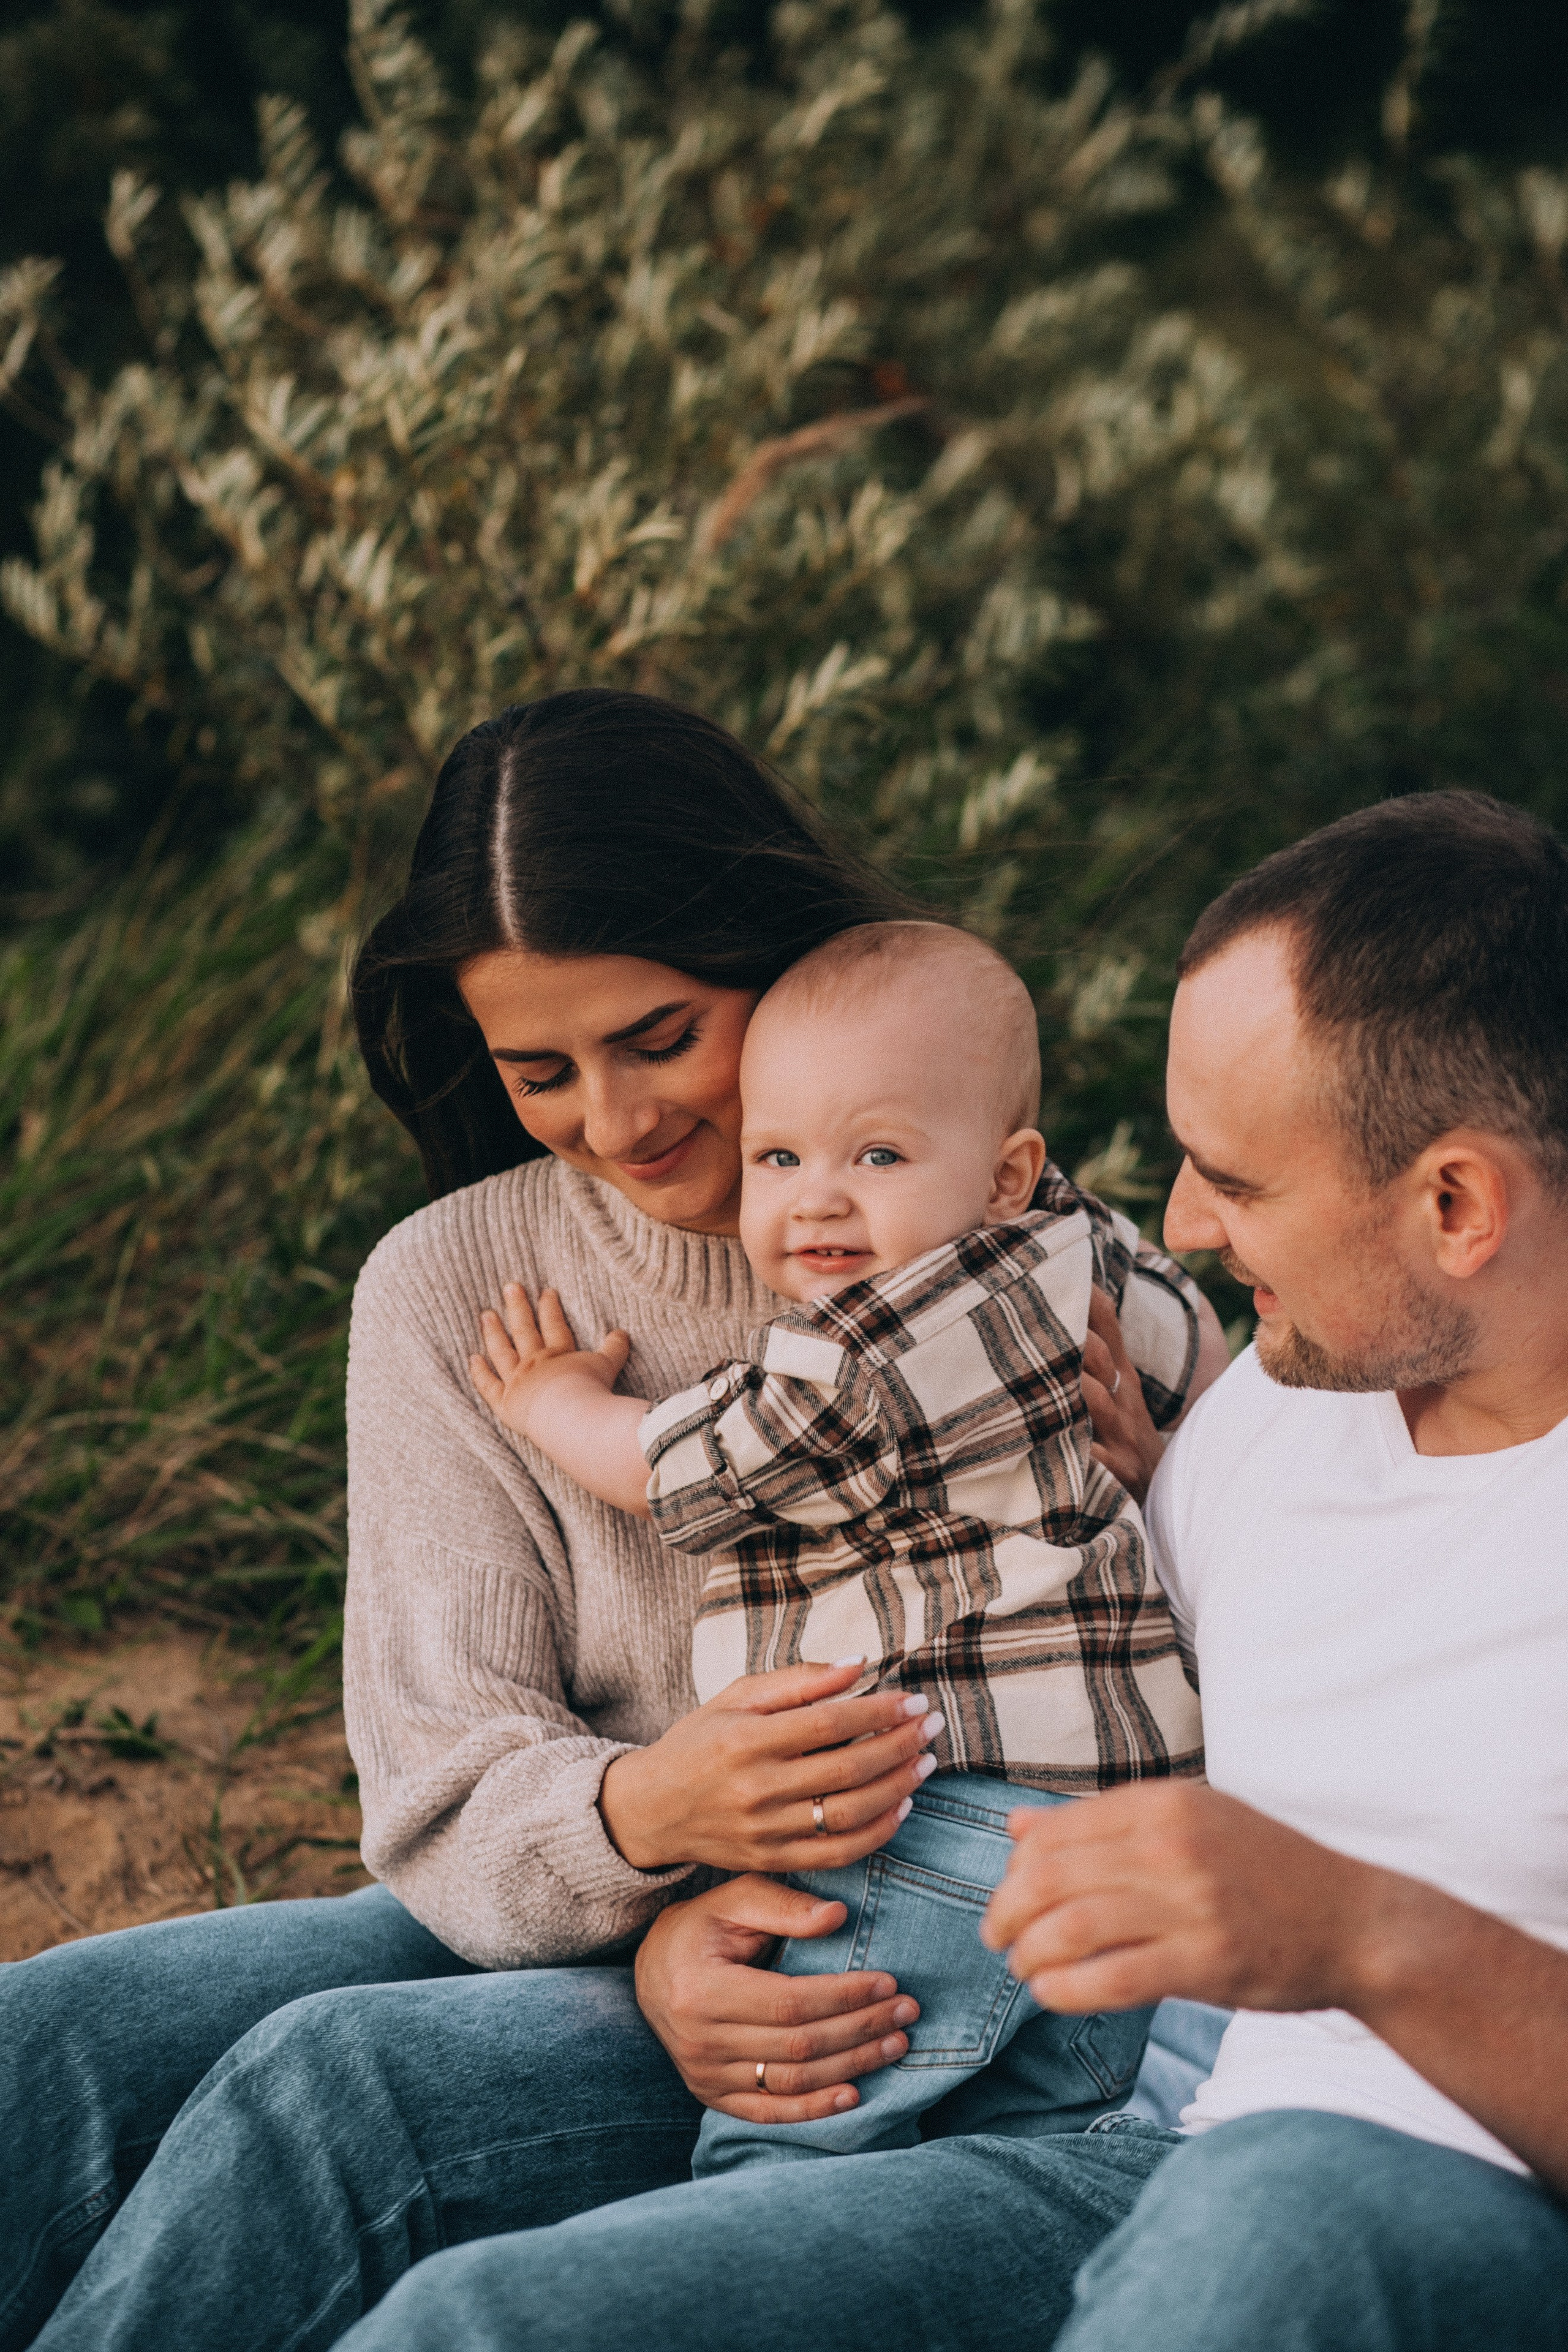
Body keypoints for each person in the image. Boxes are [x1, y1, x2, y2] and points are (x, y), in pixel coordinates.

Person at [0, 690, 1226, 2352]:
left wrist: (1173, 1467)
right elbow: (442, 1784)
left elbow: (1222, 1563)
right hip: (609, 1890)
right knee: (51, 2035)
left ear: (778, 965)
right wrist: (655, 1825)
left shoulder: (953, 1233)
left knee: (330, 2082)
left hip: (894, 1928)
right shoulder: (451, 1290)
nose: (619, 1118)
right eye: (540, 1069)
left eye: (661, 1036)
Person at [322, 786, 1568, 2352]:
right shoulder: (1260, 1404)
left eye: (1235, 1185)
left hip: (1390, 2175)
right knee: (485, 2317)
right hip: (1072, 2102)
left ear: (1454, 1204)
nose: (1173, 1229)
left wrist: (1360, 1934)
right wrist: (671, 1923)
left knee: (1274, 2223)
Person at [466, 920, 1202, 2171]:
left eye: (876, 1153)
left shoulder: (874, 1342)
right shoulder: (1085, 1252)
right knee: (1014, 2152)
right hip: (1108, 1855)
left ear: (1003, 1174)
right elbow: (1192, 1346)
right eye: (779, 1154)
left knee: (788, 2155)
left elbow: (691, 1467)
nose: (817, 1196)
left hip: (941, 1825)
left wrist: (551, 1405)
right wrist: (1151, 1454)